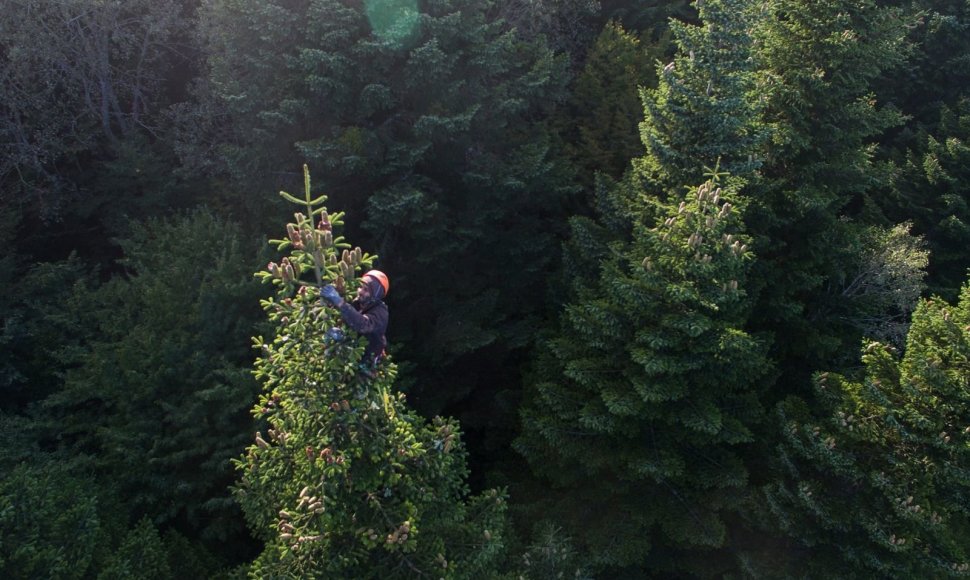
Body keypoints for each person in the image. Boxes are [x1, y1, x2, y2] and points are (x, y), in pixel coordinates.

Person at [320, 270, 389, 372]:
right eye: (360, 287)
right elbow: (348, 317)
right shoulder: (357, 303)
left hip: (367, 359)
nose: (360, 291)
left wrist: (339, 302)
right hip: (350, 352)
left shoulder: (380, 313)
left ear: (375, 295)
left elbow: (363, 325)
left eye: (366, 290)